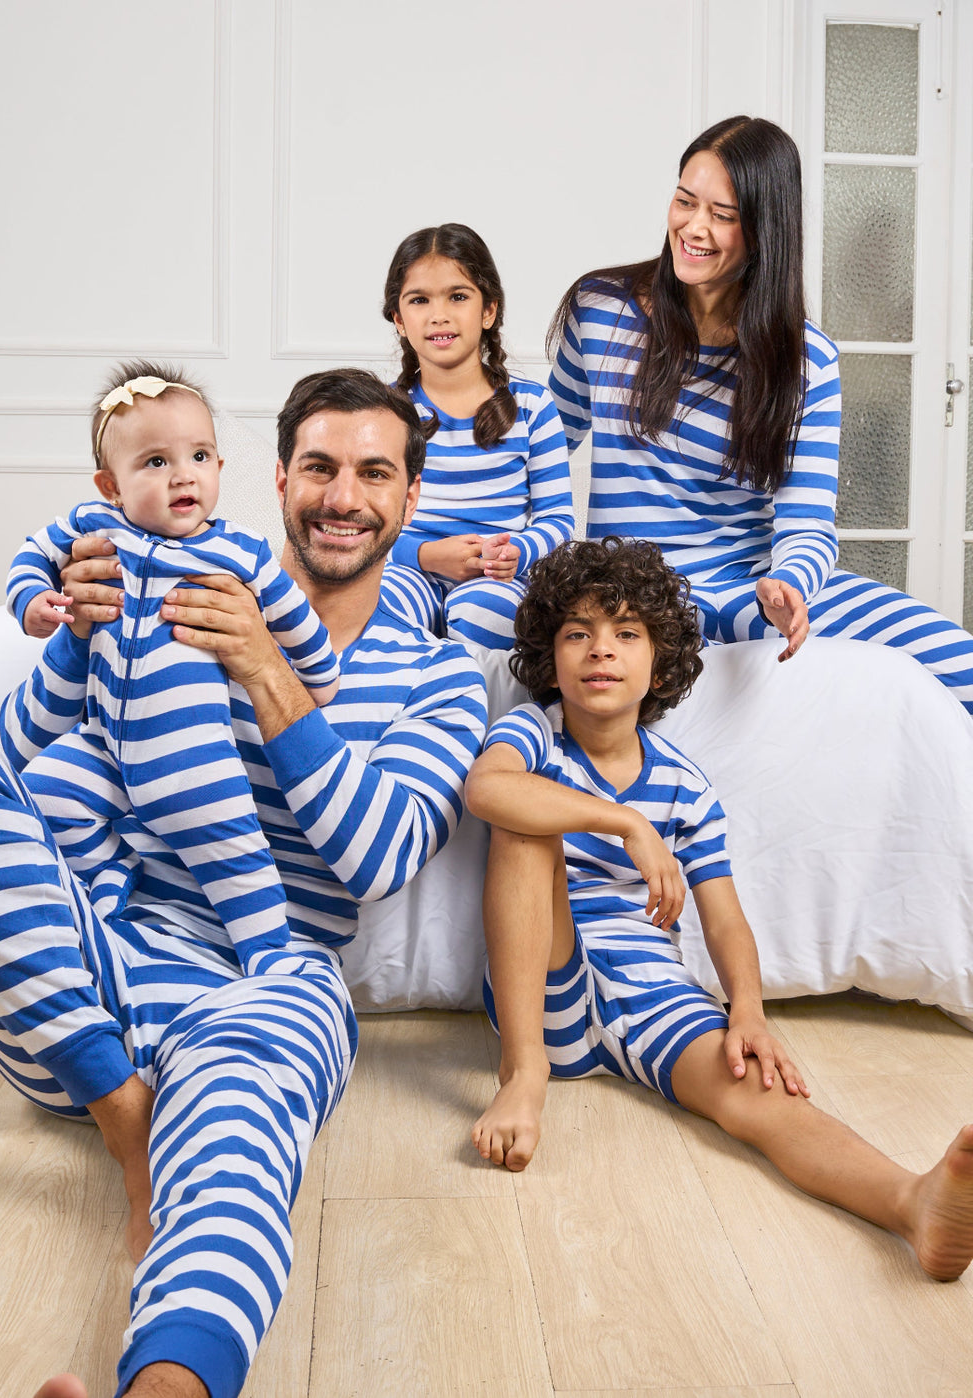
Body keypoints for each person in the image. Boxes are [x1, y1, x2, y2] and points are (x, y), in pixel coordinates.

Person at [0, 368, 487, 1398]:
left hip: (274, 977)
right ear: (277, 479)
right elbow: (0, 774)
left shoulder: (440, 677)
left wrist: (266, 671)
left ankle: (164, 1386)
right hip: (82, 988)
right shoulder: (172, 596)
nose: (344, 495)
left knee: (238, 1133)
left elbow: (380, 857)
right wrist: (72, 636)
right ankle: (126, 1115)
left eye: (374, 473)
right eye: (320, 468)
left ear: (410, 498)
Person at [466, 535, 973, 1284]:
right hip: (547, 988)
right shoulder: (532, 734)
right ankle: (523, 1076)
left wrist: (748, 1010)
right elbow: (486, 791)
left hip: (653, 993)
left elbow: (725, 918)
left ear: (660, 662)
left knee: (762, 1098)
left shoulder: (683, 784)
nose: (600, 650)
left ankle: (910, 1203)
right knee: (523, 824)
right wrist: (623, 823)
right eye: (578, 633)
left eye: (626, 633)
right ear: (550, 655)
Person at [548, 115, 973, 711]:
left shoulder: (805, 361)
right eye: (684, 202)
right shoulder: (600, 311)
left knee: (960, 664)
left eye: (722, 215)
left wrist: (789, 586)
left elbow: (807, 523)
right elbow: (538, 450)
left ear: (764, 230)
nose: (694, 228)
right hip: (630, 592)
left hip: (748, 589)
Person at [5, 362, 340, 973]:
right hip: (104, 746)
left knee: (237, 863)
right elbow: (32, 553)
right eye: (155, 462)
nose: (183, 474)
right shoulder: (95, 528)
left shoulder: (239, 551)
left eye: (200, 456)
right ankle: (105, 893)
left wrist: (317, 680)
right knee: (41, 797)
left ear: (219, 468)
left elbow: (296, 623)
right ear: (111, 485)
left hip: (192, 758)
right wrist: (32, 600)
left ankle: (272, 964)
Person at [379, 222, 574, 649]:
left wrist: (516, 554)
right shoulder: (383, 413)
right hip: (412, 569)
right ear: (399, 318)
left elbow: (558, 521)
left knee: (482, 611)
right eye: (419, 300)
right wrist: (427, 555)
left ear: (489, 311)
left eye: (458, 296)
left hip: (497, 577)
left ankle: (472, 710)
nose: (438, 314)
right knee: (382, 603)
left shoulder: (533, 407)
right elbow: (370, 521)